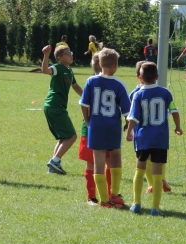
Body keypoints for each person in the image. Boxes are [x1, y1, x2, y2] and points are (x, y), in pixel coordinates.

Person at [126, 62, 183, 216]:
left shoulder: (138, 94)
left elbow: (133, 117)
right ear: (157, 77)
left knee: (139, 170)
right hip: (160, 139)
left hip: (143, 138)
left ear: (140, 78)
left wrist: (129, 131)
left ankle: (136, 203)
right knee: (158, 174)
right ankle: (155, 208)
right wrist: (178, 127)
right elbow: (174, 111)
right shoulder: (165, 93)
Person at [80, 48, 131, 209]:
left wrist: (88, 121)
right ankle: (114, 194)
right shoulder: (119, 84)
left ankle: (103, 199)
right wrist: (128, 125)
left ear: (100, 64)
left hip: (96, 127)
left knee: (98, 162)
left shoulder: (91, 81)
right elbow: (127, 112)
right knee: (115, 157)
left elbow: (83, 104)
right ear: (115, 65)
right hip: (113, 127)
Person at [130, 61, 172, 194]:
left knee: (145, 159)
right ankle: (161, 180)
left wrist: (128, 128)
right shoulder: (162, 91)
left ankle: (151, 184)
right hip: (159, 133)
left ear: (139, 77)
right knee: (158, 157)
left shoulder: (135, 94)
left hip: (142, 133)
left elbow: (130, 115)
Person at [42, 45, 83, 175]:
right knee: (72, 136)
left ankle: (53, 166)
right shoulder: (57, 67)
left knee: (63, 138)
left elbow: (75, 86)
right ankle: (54, 161)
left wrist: (87, 98)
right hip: (55, 106)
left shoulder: (69, 70)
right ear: (59, 58)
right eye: (67, 53)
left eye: (70, 52)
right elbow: (45, 70)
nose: (70, 55)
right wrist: (46, 55)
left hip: (55, 107)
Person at [78, 52, 112, 206]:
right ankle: (93, 196)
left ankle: (107, 195)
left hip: (103, 129)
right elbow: (84, 104)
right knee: (98, 163)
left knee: (106, 163)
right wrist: (87, 122)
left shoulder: (110, 82)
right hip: (93, 130)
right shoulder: (92, 82)